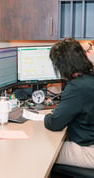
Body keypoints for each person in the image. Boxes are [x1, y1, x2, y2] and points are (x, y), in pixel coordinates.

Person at [44, 38, 94, 169]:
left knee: (44, 150)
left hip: (90, 152)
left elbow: (55, 124)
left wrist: (46, 117)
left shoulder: (76, 87)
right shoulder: (89, 77)